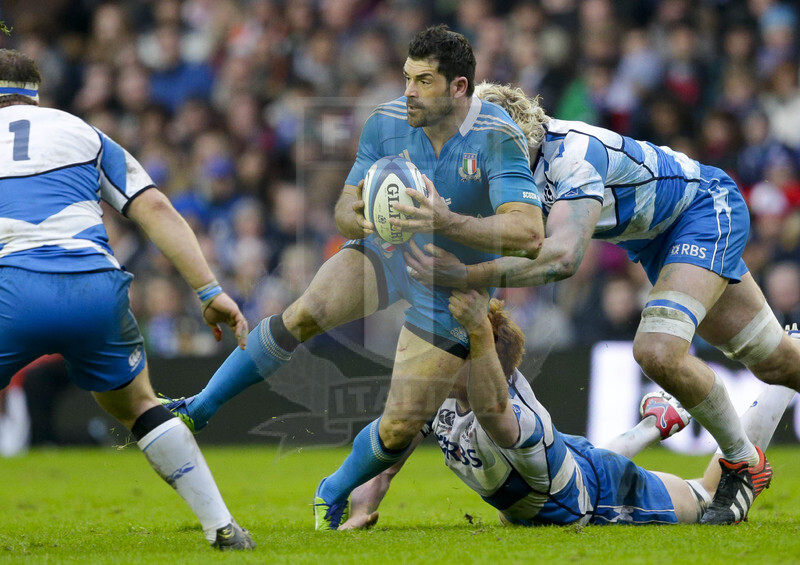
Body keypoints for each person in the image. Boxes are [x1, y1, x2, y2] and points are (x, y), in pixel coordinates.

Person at [161, 25, 544, 530]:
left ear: (459, 88)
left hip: (453, 281)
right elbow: (345, 205)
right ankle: (198, 410)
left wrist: (443, 222)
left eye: (424, 81)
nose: (408, 90)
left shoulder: (496, 135)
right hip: (388, 252)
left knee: (402, 424)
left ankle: (332, 489)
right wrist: (358, 218)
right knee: (305, 312)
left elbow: (529, 232)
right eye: (407, 77)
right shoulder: (386, 123)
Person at [401, 81, 800, 525]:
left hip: (702, 209)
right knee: (778, 363)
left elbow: (564, 256)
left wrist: (468, 272)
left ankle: (742, 461)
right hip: (656, 242)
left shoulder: (572, 155)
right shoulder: (509, 175)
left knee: (657, 352)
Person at [0, 49, 254, 550]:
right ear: (37, 90)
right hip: (93, 284)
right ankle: (222, 527)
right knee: (138, 405)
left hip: (12, 284)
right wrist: (209, 290)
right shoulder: (81, 132)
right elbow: (154, 205)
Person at [339, 290, 793, 530]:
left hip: (599, 499)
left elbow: (496, 409)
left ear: (478, 361)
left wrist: (476, 329)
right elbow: (387, 461)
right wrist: (360, 506)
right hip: (566, 465)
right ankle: (655, 424)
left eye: (452, 349)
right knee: (528, 497)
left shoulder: (511, 417)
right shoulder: (441, 392)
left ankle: (790, 355)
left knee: (717, 500)